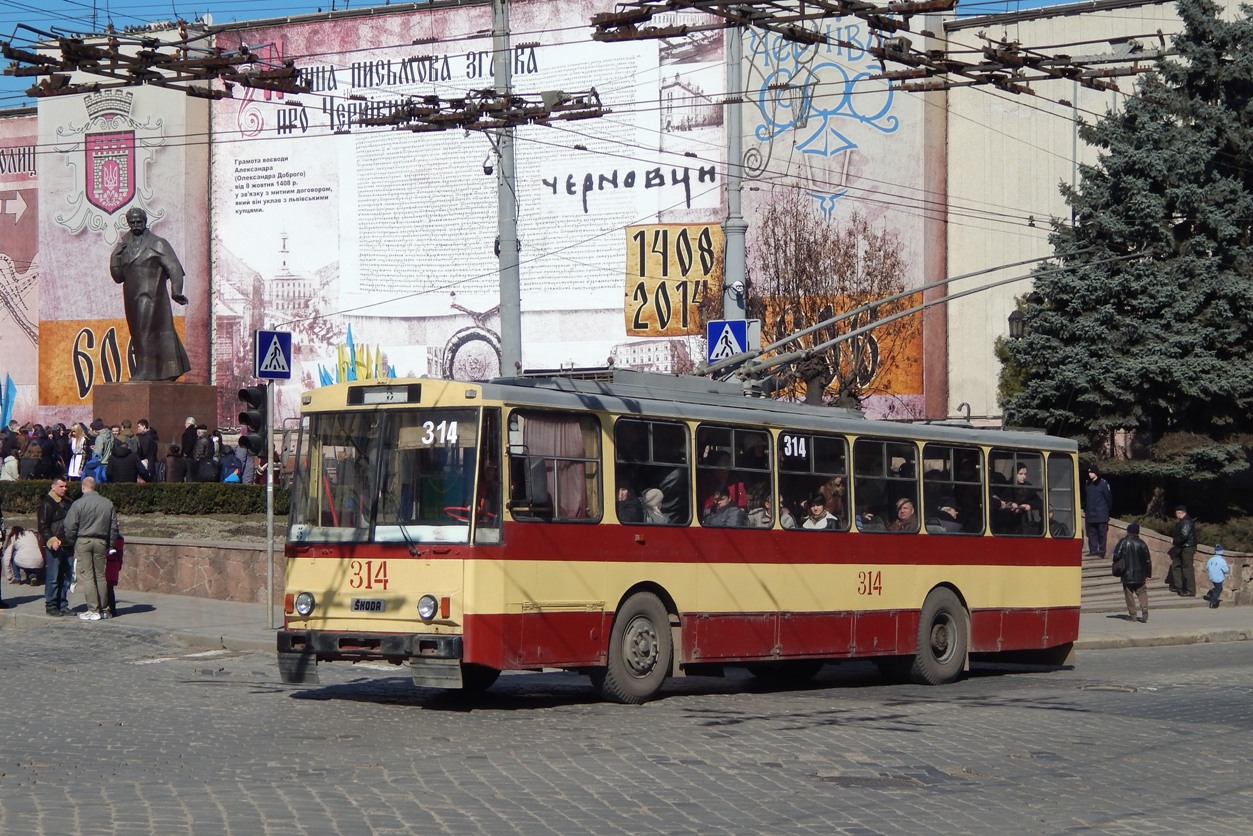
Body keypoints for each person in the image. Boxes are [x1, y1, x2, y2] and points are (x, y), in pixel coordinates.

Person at [109, 206, 191, 381]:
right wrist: (115, 256)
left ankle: (146, 371)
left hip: (151, 296)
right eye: (132, 222)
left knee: (145, 330)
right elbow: (118, 277)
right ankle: (158, 370)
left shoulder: (157, 243)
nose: (136, 224)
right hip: (131, 297)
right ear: (128, 223)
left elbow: (174, 268)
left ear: (145, 221)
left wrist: (176, 291)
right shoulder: (124, 245)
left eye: (139, 221)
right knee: (137, 333)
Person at [62, 476, 120, 621]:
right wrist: (110, 544)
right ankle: (104, 609)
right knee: (100, 576)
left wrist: (73, 541)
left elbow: (69, 526)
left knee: (88, 576)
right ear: (95, 487)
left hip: (83, 540)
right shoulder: (107, 503)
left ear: (83, 487)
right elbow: (114, 527)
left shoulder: (78, 503)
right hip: (101, 542)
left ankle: (93, 609)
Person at [38, 477, 73, 617]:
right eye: (61, 486)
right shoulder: (47, 503)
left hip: (68, 543)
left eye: (65, 486)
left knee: (66, 577)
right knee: (53, 577)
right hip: (55, 545)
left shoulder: (69, 503)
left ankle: (63, 604)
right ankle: (51, 605)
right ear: (53, 487)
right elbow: (43, 526)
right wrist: (52, 540)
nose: (64, 489)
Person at [1112, 522, 1152, 623]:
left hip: (1127, 573)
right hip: (1140, 574)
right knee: (1142, 592)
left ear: (1128, 531)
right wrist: (1148, 574)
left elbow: (1116, 555)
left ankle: (1133, 615)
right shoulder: (1142, 543)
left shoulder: (1123, 542)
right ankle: (1144, 608)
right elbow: (1147, 560)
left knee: (1129, 594)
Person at [1168, 505, 1197, 597]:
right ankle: (1178, 586)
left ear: (1181, 513)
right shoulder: (1183, 522)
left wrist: (1175, 541)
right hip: (1181, 547)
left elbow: (1184, 536)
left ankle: (1190, 590)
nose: (1176, 515)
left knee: (1187, 568)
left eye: (1177, 513)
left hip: (1186, 547)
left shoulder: (1186, 522)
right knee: (1176, 565)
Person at [1083, 467, 1112, 557]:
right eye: (1089, 472)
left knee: (1102, 533)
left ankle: (1102, 551)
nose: (1089, 474)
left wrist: (1107, 510)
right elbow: (1086, 497)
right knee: (1092, 533)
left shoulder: (1103, 483)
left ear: (1096, 473)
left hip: (1101, 513)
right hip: (1091, 513)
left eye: (1091, 472)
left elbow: (1108, 498)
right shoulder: (1087, 484)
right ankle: (1093, 550)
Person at [1204, 545, 1230, 609]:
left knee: (1217, 587)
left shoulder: (1211, 559)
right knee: (1218, 589)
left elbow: (1206, 567)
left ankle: (1211, 592)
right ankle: (1213, 602)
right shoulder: (1222, 561)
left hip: (1211, 577)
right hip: (1218, 578)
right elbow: (1226, 570)